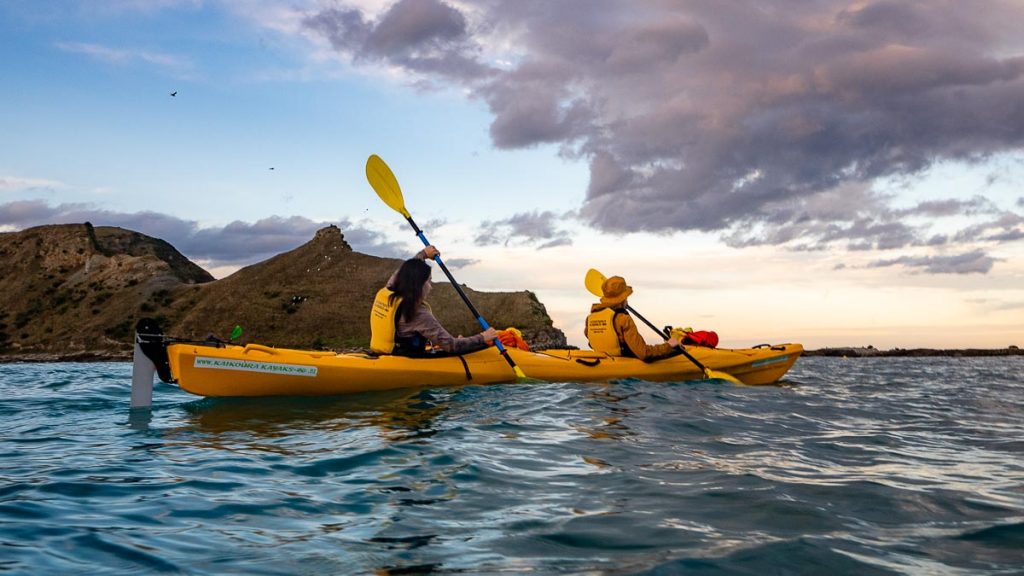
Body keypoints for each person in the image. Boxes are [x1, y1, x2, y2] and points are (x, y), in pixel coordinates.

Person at [370, 245, 497, 356]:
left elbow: (405, 270)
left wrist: (424, 254)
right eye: (429, 281)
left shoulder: (389, 291)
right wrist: (482, 338)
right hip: (407, 358)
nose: (431, 286)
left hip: (384, 351)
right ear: (418, 285)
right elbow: (451, 346)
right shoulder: (418, 314)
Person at [584, 275, 679, 362]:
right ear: (623, 298)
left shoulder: (590, 318)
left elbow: (592, 343)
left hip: (603, 361)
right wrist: (670, 345)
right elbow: (644, 353)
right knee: (672, 346)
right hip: (624, 363)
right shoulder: (623, 319)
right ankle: (673, 342)